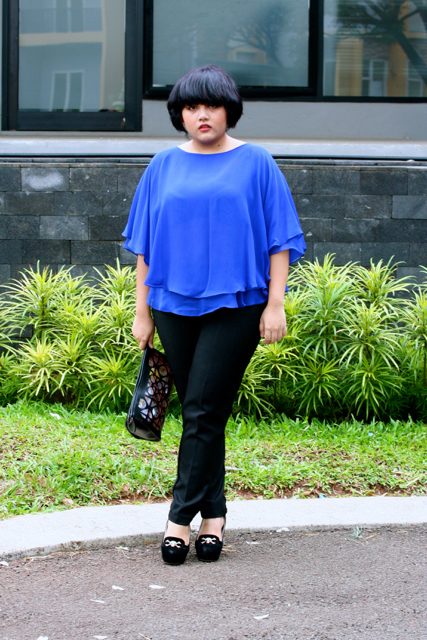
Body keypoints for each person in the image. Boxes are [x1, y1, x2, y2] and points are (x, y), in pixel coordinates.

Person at [122, 64, 306, 565]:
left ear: (229, 110)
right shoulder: (162, 165)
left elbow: (280, 240)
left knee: (202, 408)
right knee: (206, 412)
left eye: (212, 105)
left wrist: (275, 304)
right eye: (191, 107)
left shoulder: (256, 162)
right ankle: (215, 516)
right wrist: (142, 313)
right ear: (179, 115)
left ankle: (178, 519)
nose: (202, 115)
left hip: (238, 306)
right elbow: (145, 247)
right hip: (172, 305)